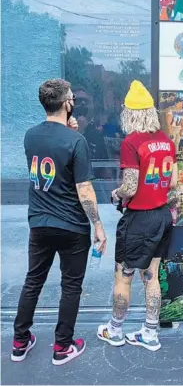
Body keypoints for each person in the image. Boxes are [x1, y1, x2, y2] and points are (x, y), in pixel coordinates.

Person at [11, 79, 107, 366]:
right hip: (72, 226)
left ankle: (19, 341)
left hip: (39, 223)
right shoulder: (76, 141)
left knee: (33, 281)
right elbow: (84, 190)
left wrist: (69, 132)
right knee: (71, 286)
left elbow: (52, 153)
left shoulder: (30, 136)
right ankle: (62, 347)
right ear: (67, 104)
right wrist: (98, 225)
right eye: (72, 98)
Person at [97, 80, 177, 352]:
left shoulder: (131, 142)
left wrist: (115, 194)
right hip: (162, 215)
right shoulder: (166, 141)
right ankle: (150, 333)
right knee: (151, 276)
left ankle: (115, 330)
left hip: (139, 218)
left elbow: (130, 186)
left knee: (124, 276)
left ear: (128, 114)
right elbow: (173, 182)